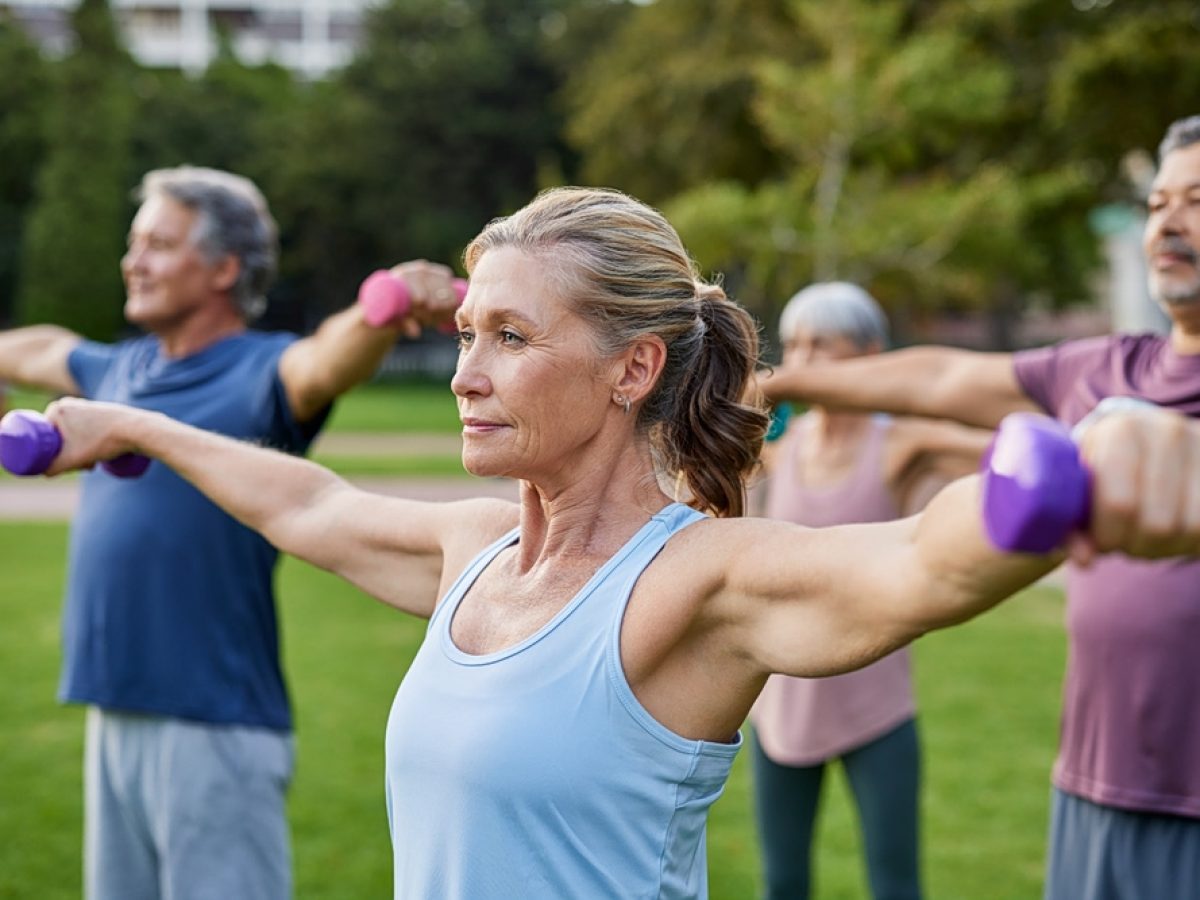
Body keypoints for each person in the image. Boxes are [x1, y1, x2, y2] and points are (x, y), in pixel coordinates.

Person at [34, 186, 1200, 900]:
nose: (466, 373)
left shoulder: (697, 583)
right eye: (463, 333)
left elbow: (920, 563)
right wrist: (134, 424)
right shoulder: (476, 551)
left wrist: (1082, 467)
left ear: (632, 367)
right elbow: (308, 505)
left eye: (510, 337)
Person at [758, 114, 1200, 900]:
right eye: (1160, 200)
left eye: (1198, 199)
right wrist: (781, 384)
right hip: (1094, 786)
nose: (1169, 218)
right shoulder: (1102, 371)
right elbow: (939, 382)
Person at [0, 166, 459, 900]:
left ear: (223, 268)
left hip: (213, 723)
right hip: (114, 706)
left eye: (159, 243)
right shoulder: (120, 371)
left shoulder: (260, 373)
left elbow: (326, 359)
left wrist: (387, 305)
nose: (134, 260)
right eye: (134, 241)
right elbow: (38, 348)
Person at [750, 282, 991, 900]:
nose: (802, 362)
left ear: (872, 356)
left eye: (823, 346)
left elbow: (1009, 449)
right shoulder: (781, 447)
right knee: (783, 883)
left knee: (895, 885)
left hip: (876, 706)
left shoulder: (903, 444)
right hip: (783, 708)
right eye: (796, 345)